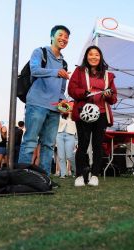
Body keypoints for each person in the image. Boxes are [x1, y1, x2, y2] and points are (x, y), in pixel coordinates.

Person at [18, 25, 70, 175]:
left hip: (54, 109)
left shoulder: (64, 63)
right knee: (30, 141)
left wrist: (64, 101)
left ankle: (44, 178)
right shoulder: (40, 52)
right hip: (36, 104)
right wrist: (56, 72)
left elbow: (61, 90)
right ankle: (23, 177)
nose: (63, 39)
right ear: (52, 36)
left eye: (66, 37)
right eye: (60, 35)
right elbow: (34, 70)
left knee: (48, 145)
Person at [68, 45, 117, 187]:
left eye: (96, 54)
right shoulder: (79, 71)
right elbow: (71, 89)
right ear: (86, 56)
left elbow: (114, 98)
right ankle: (79, 176)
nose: (93, 57)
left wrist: (108, 95)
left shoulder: (108, 75)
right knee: (82, 145)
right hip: (84, 113)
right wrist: (84, 92)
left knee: (97, 145)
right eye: (91, 54)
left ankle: (95, 175)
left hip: (101, 114)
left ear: (100, 57)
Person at [56, 110, 77, 178]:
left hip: (70, 135)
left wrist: (76, 142)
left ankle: (76, 171)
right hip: (59, 135)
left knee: (70, 156)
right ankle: (63, 174)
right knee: (61, 156)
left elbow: (77, 128)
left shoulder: (74, 115)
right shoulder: (59, 115)